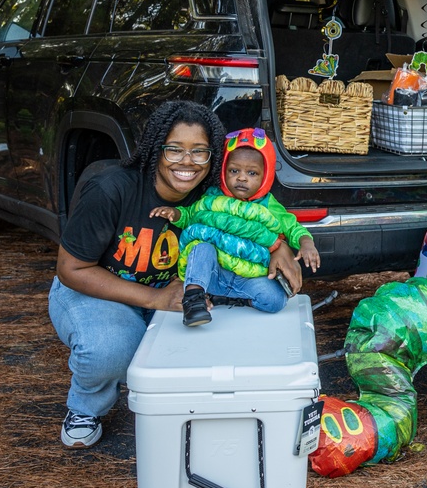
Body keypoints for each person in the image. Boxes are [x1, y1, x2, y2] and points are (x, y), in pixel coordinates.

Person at [48, 101, 303, 449]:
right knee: (110, 349)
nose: (187, 162)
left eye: (199, 152)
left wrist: (281, 246)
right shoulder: (111, 189)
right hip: (96, 288)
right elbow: (71, 269)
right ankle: (85, 406)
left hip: (171, 293)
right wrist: (154, 298)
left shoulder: (214, 192)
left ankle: (181, 413)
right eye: (175, 149)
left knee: (212, 343)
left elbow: (255, 218)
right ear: (156, 149)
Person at [150, 127, 320, 327]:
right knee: (202, 248)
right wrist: (176, 214)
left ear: (265, 176)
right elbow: (192, 216)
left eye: (252, 173)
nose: (241, 178)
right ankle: (194, 299)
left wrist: (306, 243)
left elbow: (292, 227)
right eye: (234, 170)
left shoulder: (269, 205)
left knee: (276, 300)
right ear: (224, 170)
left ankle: (235, 300)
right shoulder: (213, 197)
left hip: (248, 279)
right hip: (214, 274)